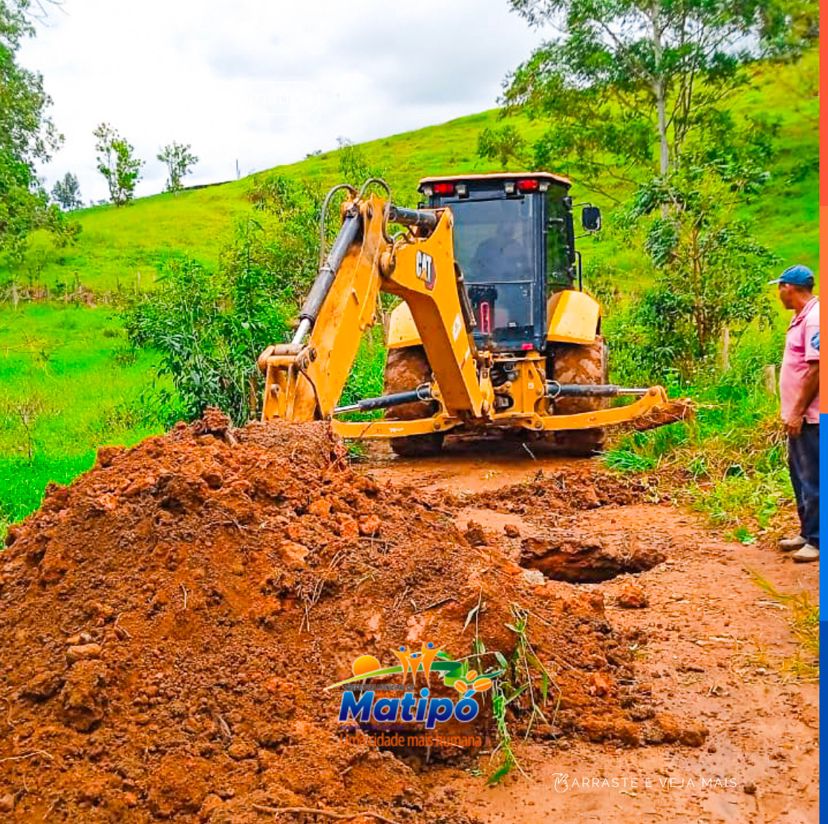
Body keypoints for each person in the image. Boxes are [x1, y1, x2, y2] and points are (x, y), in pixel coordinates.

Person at [770, 264, 819, 563]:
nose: (778, 293)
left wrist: (798, 411)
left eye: (780, 287)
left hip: (810, 416)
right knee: (800, 475)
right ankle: (807, 531)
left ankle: (817, 540)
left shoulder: (814, 320)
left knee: (813, 478)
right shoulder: (802, 318)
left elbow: (817, 370)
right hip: (799, 415)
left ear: (790, 288)